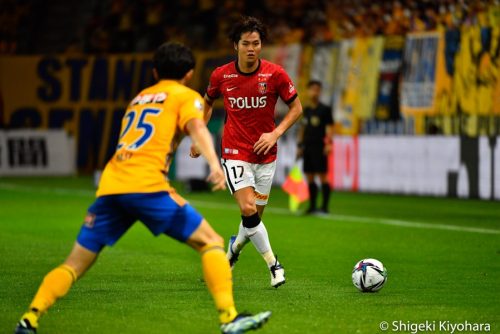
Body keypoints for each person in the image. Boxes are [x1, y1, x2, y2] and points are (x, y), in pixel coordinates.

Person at [14, 42, 271, 334]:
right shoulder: (186, 96)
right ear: (189, 74)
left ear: (154, 71)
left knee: (74, 264)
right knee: (210, 242)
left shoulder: (139, 98)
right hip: (147, 186)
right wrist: (214, 164)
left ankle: (30, 319)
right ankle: (228, 318)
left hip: (111, 186)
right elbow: (198, 128)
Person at [191, 16, 303, 288]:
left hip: (266, 156)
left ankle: (231, 253)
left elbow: (297, 109)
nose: (251, 48)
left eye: (256, 43)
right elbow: (206, 103)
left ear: (261, 45)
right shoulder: (221, 75)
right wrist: (199, 133)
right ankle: (274, 265)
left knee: (252, 220)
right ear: (235, 45)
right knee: (248, 207)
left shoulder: (275, 74)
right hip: (234, 151)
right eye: (246, 43)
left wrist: (275, 133)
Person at [296, 80, 334, 214]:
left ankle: (324, 207)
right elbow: (302, 128)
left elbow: (329, 128)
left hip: (320, 146)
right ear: (308, 91)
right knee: (309, 176)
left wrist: (329, 144)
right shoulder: (305, 110)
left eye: (317, 90)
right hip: (307, 147)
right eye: (312, 89)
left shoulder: (325, 110)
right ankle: (312, 206)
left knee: (323, 176)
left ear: (320, 92)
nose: (314, 92)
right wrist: (300, 146)